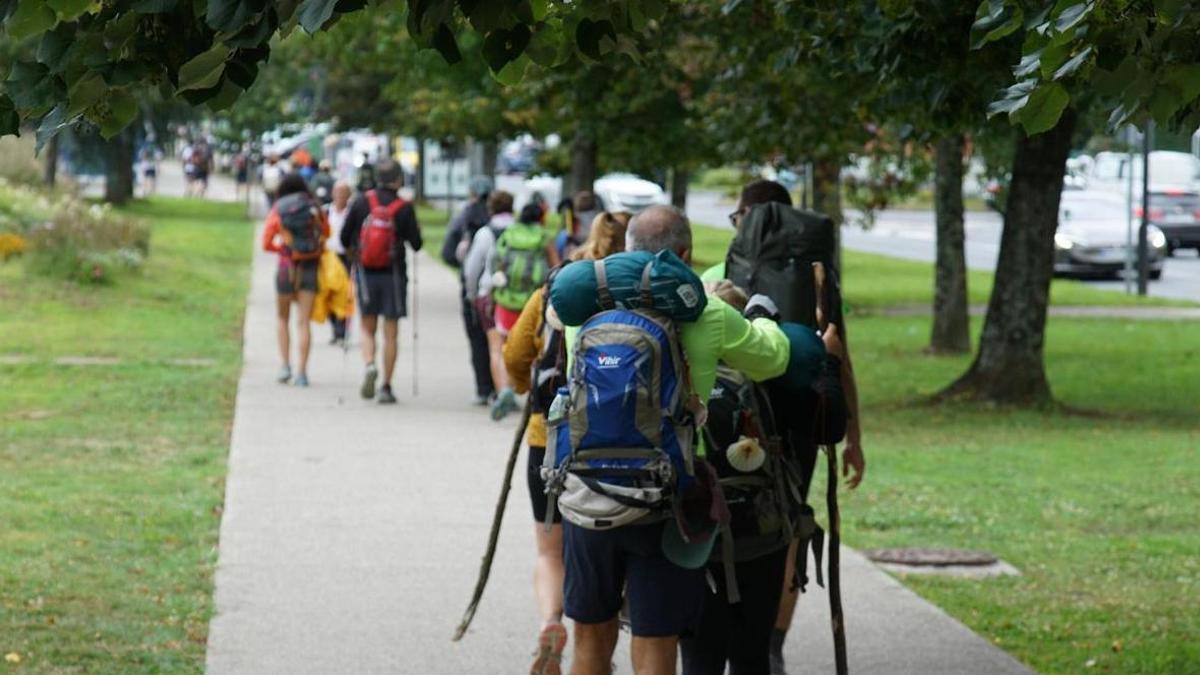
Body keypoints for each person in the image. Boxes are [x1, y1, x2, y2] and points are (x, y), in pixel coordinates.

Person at [560, 205, 793, 675]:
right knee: (655, 638)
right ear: (684, 256)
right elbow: (773, 360)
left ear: (626, 250)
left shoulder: (583, 309)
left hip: (586, 494)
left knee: (589, 634)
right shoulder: (705, 313)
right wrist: (763, 319)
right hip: (666, 499)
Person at [705, 179, 866, 675]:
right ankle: (770, 644)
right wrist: (855, 437)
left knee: (722, 524)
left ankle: (720, 631)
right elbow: (837, 362)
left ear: (743, 221)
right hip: (797, 423)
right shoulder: (815, 280)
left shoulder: (719, 274)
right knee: (790, 527)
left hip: (727, 430)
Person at [501, 211, 629, 675]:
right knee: (610, 559)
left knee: (549, 549)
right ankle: (599, 653)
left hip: (547, 438)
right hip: (619, 448)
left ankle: (550, 621)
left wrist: (522, 387)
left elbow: (515, 352)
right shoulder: (639, 295)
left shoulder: (555, 290)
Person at [340, 160, 422, 405]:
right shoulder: (404, 207)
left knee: (367, 326)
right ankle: (386, 386)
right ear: (398, 180)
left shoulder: (361, 201)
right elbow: (417, 244)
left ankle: (369, 364)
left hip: (366, 273)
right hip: (394, 275)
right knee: (391, 332)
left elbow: (345, 238)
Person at [461, 190, 526, 420]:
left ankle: (502, 392)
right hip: (522, 297)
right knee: (515, 344)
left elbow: (472, 268)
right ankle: (514, 386)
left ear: (491, 208)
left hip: (492, 295)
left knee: (495, 347)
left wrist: (471, 293)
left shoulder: (486, 233)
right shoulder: (522, 232)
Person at [261, 174, 330, 387]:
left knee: (283, 318)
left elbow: (266, 242)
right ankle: (302, 372)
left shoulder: (278, 208)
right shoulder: (314, 207)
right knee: (303, 321)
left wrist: (283, 248)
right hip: (309, 265)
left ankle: (285, 366)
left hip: (285, 266)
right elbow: (326, 233)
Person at [442, 176, 496, 406]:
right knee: (498, 338)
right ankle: (501, 386)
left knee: (477, 338)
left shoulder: (463, 216)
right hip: (500, 287)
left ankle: (483, 388)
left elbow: (447, 251)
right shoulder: (497, 218)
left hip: (472, 285)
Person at [324, 181, 354, 346]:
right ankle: (335, 327)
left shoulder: (351, 213)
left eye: (344, 193)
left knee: (345, 295)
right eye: (337, 192)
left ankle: (343, 329)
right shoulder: (326, 211)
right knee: (329, 294)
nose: (340, 196)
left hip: (346, 257)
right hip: (329, 257)